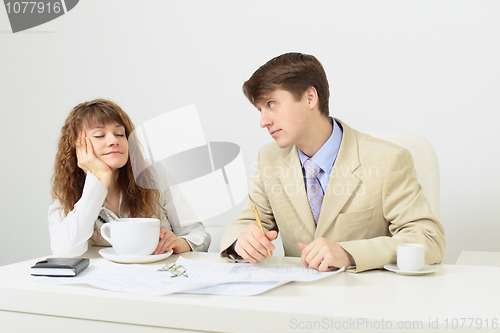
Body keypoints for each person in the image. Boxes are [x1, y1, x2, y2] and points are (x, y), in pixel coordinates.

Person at [220, 52, 445, 272]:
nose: (263, 121)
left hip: (366, 300)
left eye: (271, 104)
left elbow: (429, 239)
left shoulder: (387, 160)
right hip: (297, 300)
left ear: (310, 98)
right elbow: (245, 223)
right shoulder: (269, 159)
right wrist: (242, 240)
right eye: (260, 110)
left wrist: (349, 253)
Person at [49, 99, 210, 257]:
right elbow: (65, 251)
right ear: (76, 146)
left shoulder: (154, 173)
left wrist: (180, 243)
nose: (113, 141)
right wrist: (98, 180)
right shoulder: (69, 187)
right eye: (99, 135)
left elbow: (198, 235)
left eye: (120, 134)